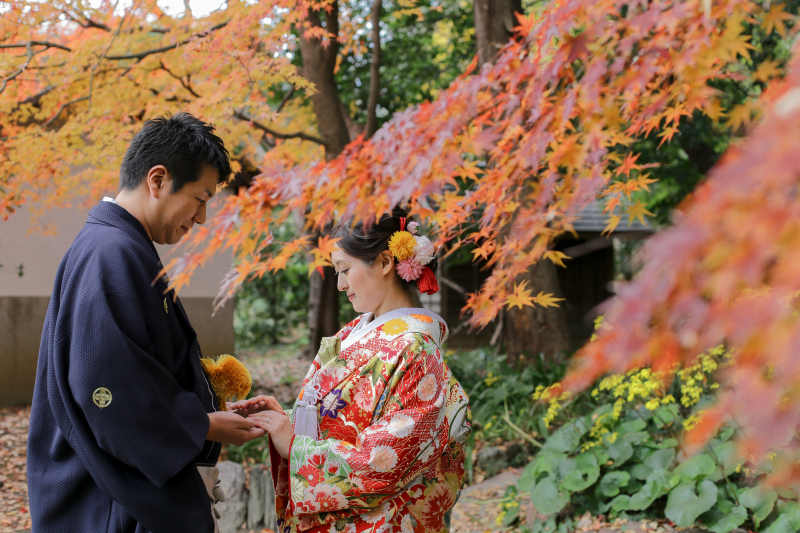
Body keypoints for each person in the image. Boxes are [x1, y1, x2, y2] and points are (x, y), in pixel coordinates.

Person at [27, 113, 266, 533]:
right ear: (157, 180)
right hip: (107, 499)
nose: (203, 217)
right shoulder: (110, 253)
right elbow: (106, 387)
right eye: (200, 198)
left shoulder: (119, 246)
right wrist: (202, 424)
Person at [231, 208, 472, 533]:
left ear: (386, 262)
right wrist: (284, 420)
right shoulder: (353, 332)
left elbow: (384, 461)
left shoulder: (417, 349)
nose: (341, 284)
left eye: (345, 270)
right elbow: (334, 418)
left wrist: (298, 449)